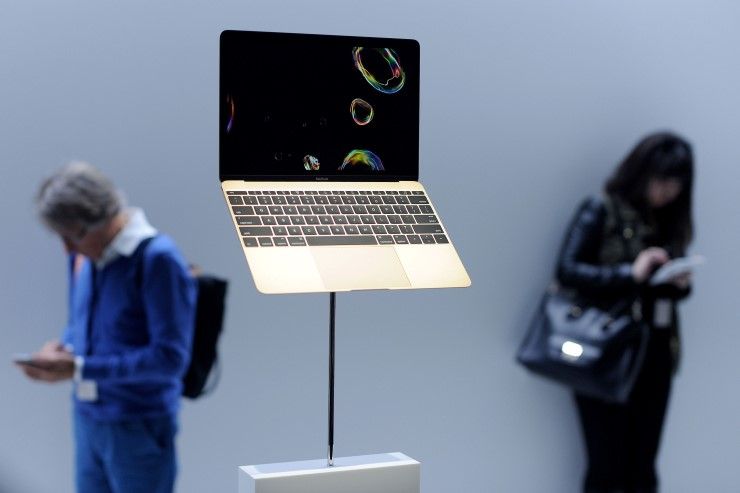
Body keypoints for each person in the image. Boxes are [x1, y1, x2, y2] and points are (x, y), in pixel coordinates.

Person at [17, 162, 197, 493]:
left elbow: (170, 359)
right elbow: (82, 324)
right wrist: (61, 352)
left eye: (74, 236)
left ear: (104, 219)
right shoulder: (82, 256)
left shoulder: (157, 259)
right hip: (87, 418)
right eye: (61, 237)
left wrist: (80, 368)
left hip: (137, 422)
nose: (68, 249)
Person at [555, 132, 694, 493]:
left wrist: (679, 282)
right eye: (662, 179)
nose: (668, 190)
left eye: (677, 183)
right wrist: (630, 272)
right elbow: (567, 271)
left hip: (656, 352)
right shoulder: (601, 209)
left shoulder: (669, 222)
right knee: (605, 466)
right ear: (641, 171)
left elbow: (662, 292)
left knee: (643, 467)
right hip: (604, 351)